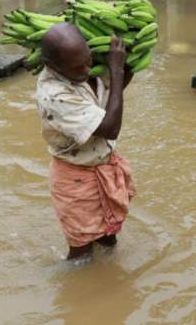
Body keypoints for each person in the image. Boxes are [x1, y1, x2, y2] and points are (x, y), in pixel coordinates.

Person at [35, 23, 135, 260]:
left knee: (109, 237)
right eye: (77, 66)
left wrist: (122, 66)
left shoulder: (86, 67)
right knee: (82, 252)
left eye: (88, 60)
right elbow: (110, 128)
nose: (87, 69)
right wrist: (116, 70)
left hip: (104, 165)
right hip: (76, 176)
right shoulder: (54, 95)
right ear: (53, 66)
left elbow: (113, 93)